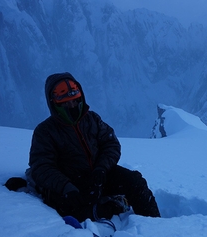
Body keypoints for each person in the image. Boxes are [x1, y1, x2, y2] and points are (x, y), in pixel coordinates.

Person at [27, 72, 160, 222]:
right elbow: (41, 166)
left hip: (98, 176)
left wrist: (101, 170)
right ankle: (111, 207)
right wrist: (65, 186)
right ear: (54, 104)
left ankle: (155, 225)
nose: (72, 106)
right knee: (69, 206)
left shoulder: (92, 119)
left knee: (135, 182)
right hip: (71, 183)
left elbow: (111, 144)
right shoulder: (45, 131)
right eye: (66, 103)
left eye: (75, 101)